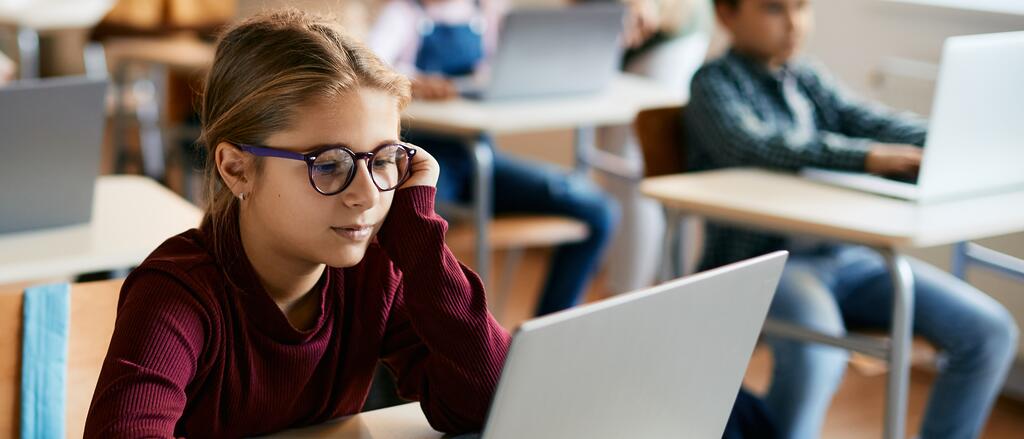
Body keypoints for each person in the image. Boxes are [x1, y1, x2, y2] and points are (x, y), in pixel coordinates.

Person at [84, 10, 511, 437]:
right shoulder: (178, 293)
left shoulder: (375, 273)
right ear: (237, 169)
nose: (366, 194)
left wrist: (420, 241)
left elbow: (488, 405)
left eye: (383, 161)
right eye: (328, 165)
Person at [686, 1, 1019, 438]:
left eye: (802, 7)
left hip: (846, 256)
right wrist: (864, 157)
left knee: (988, 332)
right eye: (774, 9)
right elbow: (755, 145)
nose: (794, 24)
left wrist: (953, 134)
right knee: (818, 353)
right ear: (727, 16)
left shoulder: (805, 76)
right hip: (772, 262)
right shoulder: (713, 84)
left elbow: (869, 121)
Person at [367, 0, 620, 316]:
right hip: (423, 164)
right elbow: (372, 68)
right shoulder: (404, 14)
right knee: (409, 228)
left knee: (599, 211)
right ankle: (405, 348)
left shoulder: (486, 12)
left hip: (480, 162)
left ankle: (548, 329)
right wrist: (414, 81)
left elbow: (514, 63)